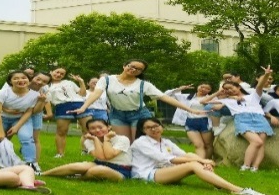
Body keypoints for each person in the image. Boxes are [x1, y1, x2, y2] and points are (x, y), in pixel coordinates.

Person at [130, 118, 270, 195]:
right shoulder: (141, 142)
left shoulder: (165, 142)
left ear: (161, 126)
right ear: (143, 131)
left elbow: (185, 154)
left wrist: (201, 162)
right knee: (193, 164)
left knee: (193, 161)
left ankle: (219, 185)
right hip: (148, 174)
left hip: (164, 171)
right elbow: (167, 159)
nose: (153, 129)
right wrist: (202, 161)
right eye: (148, 128)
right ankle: (239, 190)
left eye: (156, 126)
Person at [73, 59, 204, 141]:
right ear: (124, 66)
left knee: (139, 142)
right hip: (117, 114)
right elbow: (96, 94)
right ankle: (127, 169)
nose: (134, 69)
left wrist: (190, 109)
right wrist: (84, 107)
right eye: (131, 66)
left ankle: (143, 167)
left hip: (139, 114)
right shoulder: (107, 80)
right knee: (124, 142)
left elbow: (164, 97)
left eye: (138, 69)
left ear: (141, 72)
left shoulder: (143, 84)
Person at [202, 73, 274, 172]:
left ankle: (255, 167)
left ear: (239, 87)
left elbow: (259, 86)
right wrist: (218, 92)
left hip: (260, 119)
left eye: (230, 88)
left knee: (261, 145)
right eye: (226, 89)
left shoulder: (253, 96)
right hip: (242, 119)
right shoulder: (227, 100)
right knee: (256, 142)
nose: (229, 90)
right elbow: (204, 102)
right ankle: (246, 166)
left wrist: (266, 75)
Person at [41, 118, 131, 181]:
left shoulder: (122, 139)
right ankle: (43, 174)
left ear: (108, 127)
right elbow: (100, 157)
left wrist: (106, 139)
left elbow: (108, 155)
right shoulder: (89, 140)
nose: (97, 130)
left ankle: (79, 178)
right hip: (99, 163)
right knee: (78, 166)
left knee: (96, 170)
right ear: (89, 131)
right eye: (93, 128)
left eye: (100, 127)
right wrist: (95, 139)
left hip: (120, 169)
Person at [0, 71, 45, 173]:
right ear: (10, 82)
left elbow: (29, 112)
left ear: (29, 80)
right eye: (16, 78)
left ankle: (31, 163)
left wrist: (17, 127)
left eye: (24, 78)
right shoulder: (2, 93)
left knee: (26, 138)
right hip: (1, 117)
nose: (20, 80)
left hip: (20, 119)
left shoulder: (35, 95)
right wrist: (0, 132)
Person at [42, 67, 88, 158]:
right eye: (57, 72)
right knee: (61, 131)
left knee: (87, 129)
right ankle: (60, 153)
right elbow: (46, 101)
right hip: (62, 106)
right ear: (51, 71)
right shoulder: (46, 86)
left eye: (62, 74)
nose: (59, 75)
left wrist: (81, 82)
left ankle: (86, 151)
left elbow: (82, 94)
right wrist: (49, 113)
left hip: (79, 104)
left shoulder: (69, 82)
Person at [167, 84, 214, 159]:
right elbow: (166, 95)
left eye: (207, 88)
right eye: (202, 87)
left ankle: (207, 161)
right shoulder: (188, 97)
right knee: (198, 145)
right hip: (190, 122)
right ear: (198, 87)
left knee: (208, 145)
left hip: (205, 122)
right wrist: (180, 89)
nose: (203, 89)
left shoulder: (211, 98)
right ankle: (200, 162)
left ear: (210, 91)